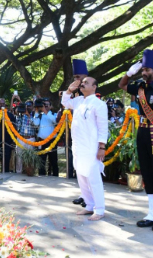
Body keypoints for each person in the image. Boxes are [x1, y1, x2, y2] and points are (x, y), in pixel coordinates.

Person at [119, 49, 153, 232]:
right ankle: (152, 214)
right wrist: (129, 73)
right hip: (142, 134)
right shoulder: (139, 88)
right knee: (147, 175)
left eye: (147, 69)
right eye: (143, 69)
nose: (144, 72)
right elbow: (122, 84)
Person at [62, 76, 108, 220]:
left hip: (91, 147)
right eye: (82, 83)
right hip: (78, 146)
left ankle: (99, 210)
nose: (82, 84)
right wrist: (69, 90)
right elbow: (65, 102)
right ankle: (89, 205)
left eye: (86, 83)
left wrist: (102, 147)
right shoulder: (78, 101)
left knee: (93, 178)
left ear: (94, 87)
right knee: (81, 177)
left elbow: (103, 127)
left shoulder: (99, 104)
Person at [71, 59, 88, 206]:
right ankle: (83, 194)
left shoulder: (92, 92)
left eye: (78, 77)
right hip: (78, 138)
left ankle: (90, 197)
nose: (76, 79)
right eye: (75, 77)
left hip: (88, 138)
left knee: (89, 170)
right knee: (79, 168)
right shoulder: (76, 94)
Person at [33, 99, 58, 176]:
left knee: (53, 160)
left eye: (47, 105)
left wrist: (46, 111)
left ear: (51, 106)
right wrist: (36, 111)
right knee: (41, 160)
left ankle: (55, 175)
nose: (45, 106)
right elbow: (35, 123)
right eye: (44, 105)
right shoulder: (40, 115)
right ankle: (41, 175)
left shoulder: (54, 114)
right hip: (41, 141)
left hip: (52, 141)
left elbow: (55, 121)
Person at [14, 102, 37, 174]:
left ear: (32, 107)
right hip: (21, 138)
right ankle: (18, 172)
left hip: (31, 138)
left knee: (30, 157)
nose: (28, 108)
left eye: (30, 106)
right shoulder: (21, 116)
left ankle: (29, 172)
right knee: (19, 157)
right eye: (27, 106)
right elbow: (17, 127)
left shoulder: (35, 115)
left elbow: (35, 125)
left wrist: (28, 115)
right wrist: (19, 115)